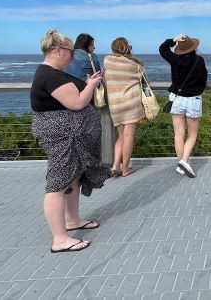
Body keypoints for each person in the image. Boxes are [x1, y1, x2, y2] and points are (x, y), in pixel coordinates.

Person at [30, 29, 112, 253]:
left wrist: (88, 83)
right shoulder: (51, 76)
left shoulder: (53, 73)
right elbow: (76, 103)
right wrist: (92, 87)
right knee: (58, 184)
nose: (73, 55)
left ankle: (72, 220)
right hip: (64, 138)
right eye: (70, 51)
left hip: (71, 137)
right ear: (57, 50)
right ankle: (60, 239)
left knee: (72, 179)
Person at [159, 34, 208, 177]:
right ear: (194, 47)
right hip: (193, 99)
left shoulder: (175, 59)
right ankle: (184, 161)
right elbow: (203, 80)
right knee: (192, 135)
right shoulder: (199, 60)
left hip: (177, 98)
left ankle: (181, 164)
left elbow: (162, 49)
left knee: (178, 134)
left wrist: (173, 40)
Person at [104, 37, 146, 177]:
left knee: (121, 136)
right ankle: (125, 168)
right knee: (128, 136)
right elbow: (144, 80)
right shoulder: (134, 65)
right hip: (131, 103)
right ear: (128, 48)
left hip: (115, 104)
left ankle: (115, 165)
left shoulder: (107, 61)